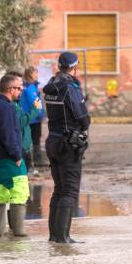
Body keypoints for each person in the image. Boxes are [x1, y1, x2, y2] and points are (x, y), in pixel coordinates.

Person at [43, 52, 90, 244]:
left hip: (53, 140)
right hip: (68, 143)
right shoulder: (70, 87)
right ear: (74, 67)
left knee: (59, 189)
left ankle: (55, 236)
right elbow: (82, 118)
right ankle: (63, 237)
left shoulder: (51, 86)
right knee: (69, 191)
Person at [0, 74, 30, 237]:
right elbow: (8, 134)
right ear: (10, 90)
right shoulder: (6, 107)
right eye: (19, 88)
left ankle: (0, 233)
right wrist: (17, 156)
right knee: (20, 191)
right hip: (10, 158)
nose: (21, 91)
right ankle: (18, 232)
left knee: (1, 192)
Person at [20, 66, 46, 168]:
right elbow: (35, 102)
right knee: (35, 139)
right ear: (30, 74)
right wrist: (41, 114)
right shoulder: (30, 87)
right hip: (33, 118)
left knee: (28, 139)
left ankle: (29, 161)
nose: (37, 75)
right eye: (35, 73)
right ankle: (36, 160)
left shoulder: (26, 86)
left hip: (28, 117)